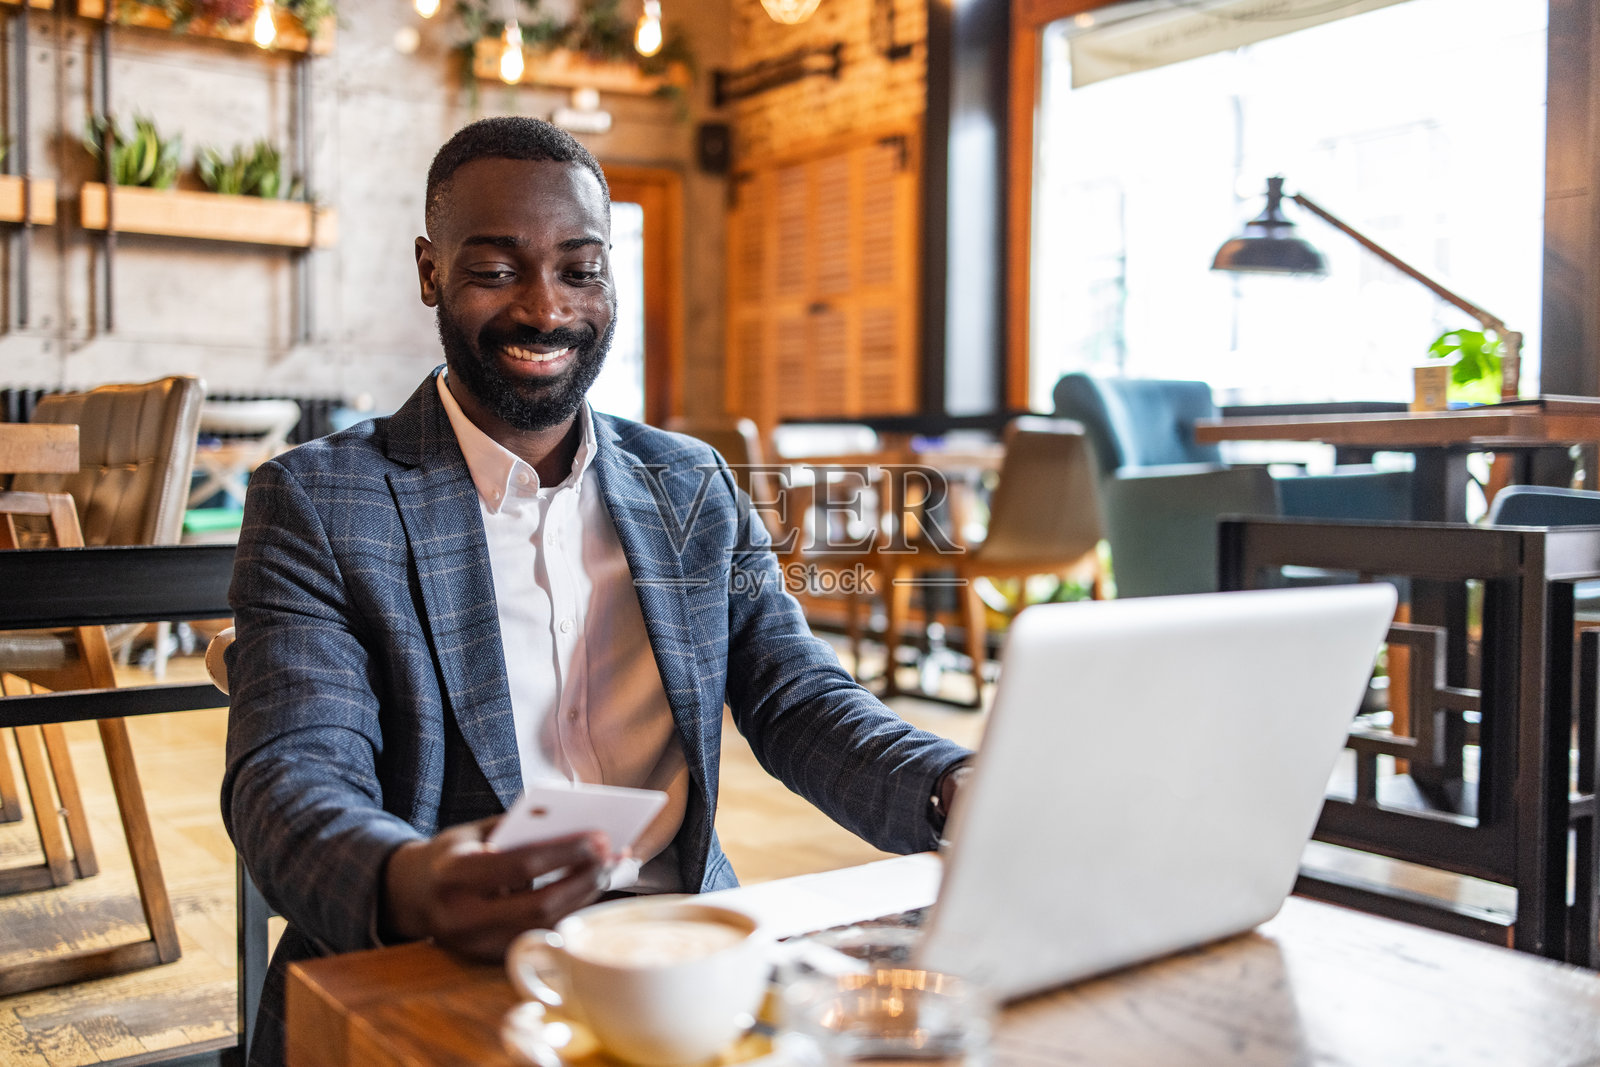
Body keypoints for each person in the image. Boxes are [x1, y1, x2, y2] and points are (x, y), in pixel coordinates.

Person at [221, 116, 972, 1066]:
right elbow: (289, 774)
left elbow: (796, 698)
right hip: (433, 960)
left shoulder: (690, 483)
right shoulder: (321, 500)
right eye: (497, 270)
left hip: (686, 952)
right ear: (429, 271)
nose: (547, 308)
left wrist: (954, 787)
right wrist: (409, 881)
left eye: (581, 269)